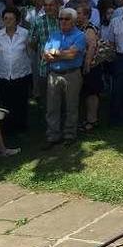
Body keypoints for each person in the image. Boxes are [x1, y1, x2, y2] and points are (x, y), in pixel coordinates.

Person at [41, 8, 86, 149]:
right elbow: (45, 56)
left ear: (73, 21)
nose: (63, 22)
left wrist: (55, 54)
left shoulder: (80, 36)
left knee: (71, 106)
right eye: (61, 19)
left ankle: (69, 135)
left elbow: (72, 55)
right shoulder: (54, 35)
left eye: (67, 19)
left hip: (72, 74)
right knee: (52, 107)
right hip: (54, 74)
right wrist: (61, 54)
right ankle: (53, 136)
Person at [0, 7, 32, 134]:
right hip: (4, 73)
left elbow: (29, 52)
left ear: (17, 20)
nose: (8, 21)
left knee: (21, 100)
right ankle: (8, 127)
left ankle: (21, 125)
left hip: (22, 72)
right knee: (6, 101)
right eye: (5, 18)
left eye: (11, 18)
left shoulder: (25, 33)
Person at [76, 4, 103, 133]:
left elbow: (92, 46)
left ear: (86, 15)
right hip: (80, 64)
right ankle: (85, 119)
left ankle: (92, 120)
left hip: (91, 66)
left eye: (79, 13)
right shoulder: (78, 28)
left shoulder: (89, 28)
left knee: (91, 93)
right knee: (85, 93)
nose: (77, 15)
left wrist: (87, 63)